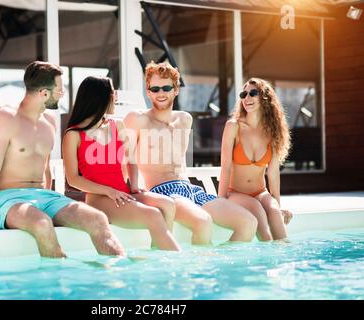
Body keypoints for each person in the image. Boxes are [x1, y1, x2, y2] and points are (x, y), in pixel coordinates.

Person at [0, 61, 125, 258]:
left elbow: (45, 169)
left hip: (44, 197)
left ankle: (118, 276)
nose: (62, 95)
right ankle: (58, 281)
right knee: (42, 224)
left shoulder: (50, 122)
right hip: (10, 199)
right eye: (59, 91)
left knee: (97, 219)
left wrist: (52, 203)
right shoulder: (4, 119)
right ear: (44, 93)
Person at [124, 61, 258, 245]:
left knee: (248, 222)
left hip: (191, 189)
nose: (160, 93)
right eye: (155, 88)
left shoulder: (184, 119)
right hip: (163, 192)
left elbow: (181, 161)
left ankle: (221, 268)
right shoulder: (137, 119)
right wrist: (129, 190)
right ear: (148, 91)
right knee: (203, 222)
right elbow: (126, 159)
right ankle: (201, 274)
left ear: (176, 89)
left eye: (166, 87)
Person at [62, 76, 180, 251]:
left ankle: (159, 255)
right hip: (99, 199)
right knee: (153, 215)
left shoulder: (117, 125)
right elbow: (73, 179)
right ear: (100, 97)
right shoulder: (73, 135)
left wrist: (134, 185)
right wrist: (109, 191)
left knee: (168, 205)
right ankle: (172, 262)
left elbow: (131, 158)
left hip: (123, 193)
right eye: (113, 93)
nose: (115, 97)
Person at [218, 77, 293, 241]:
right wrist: (221, 200)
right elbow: (226, 167)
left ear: (265, 98)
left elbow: (273, 173)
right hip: (236, 193)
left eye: (253, 93)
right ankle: (267, 262)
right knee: (258, 211)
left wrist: (278, 205)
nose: (247, 98)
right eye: (244, 94)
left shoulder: (272, 132)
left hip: (261, 192)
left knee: (273, 212)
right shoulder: (233, 126)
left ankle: (285, 260)